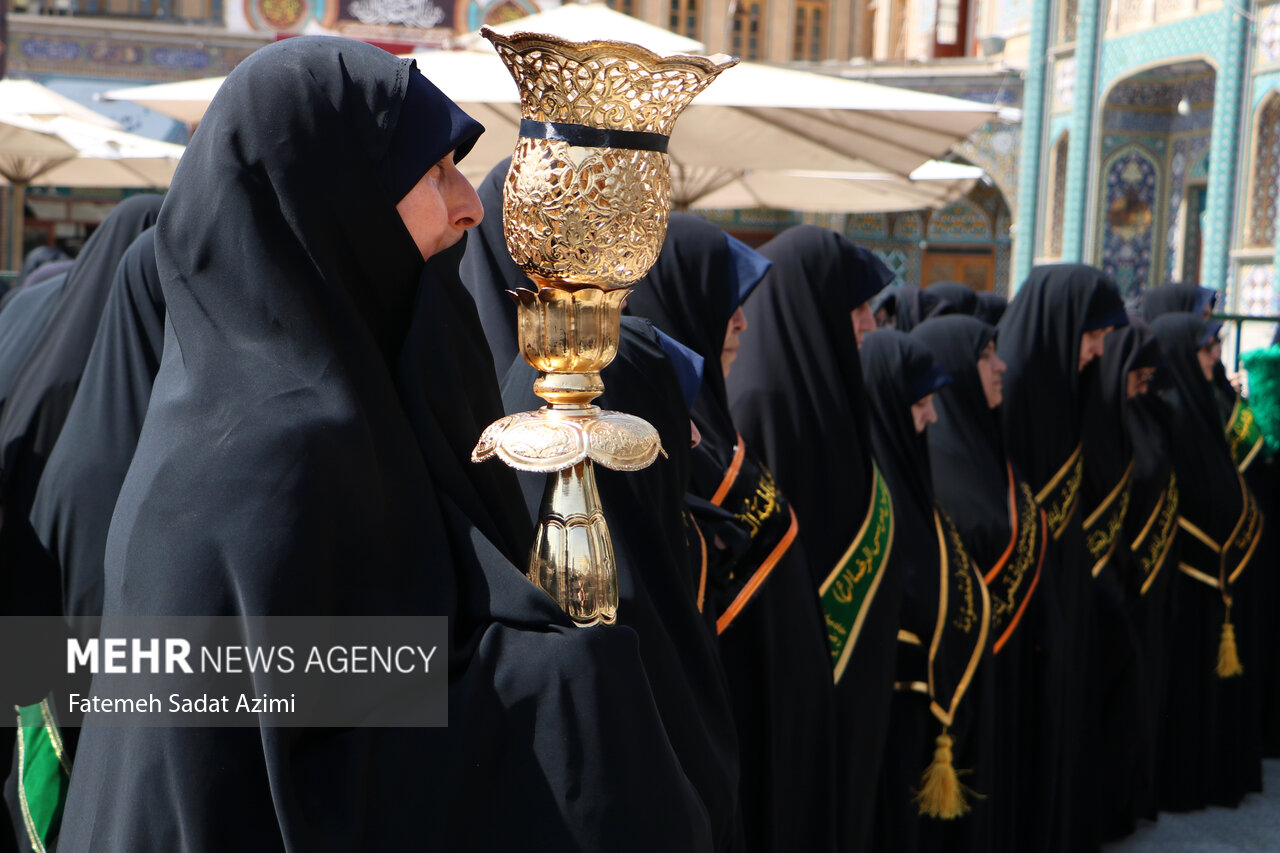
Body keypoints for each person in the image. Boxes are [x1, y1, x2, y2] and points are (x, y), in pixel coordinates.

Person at [58, 37, 713, 851]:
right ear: (333, 198)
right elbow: (303, 763)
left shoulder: (295, 426)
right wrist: (568, 686)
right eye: (435, 172)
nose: (469, 206)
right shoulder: (275, 463)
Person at [624, 214, 836, 853]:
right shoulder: (648, 435)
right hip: (723, 721)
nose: (741, 321)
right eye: (725, 301)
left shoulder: (710, 426)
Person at [726, 225, 895, 851]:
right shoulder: (756, 404)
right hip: (785, 697)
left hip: (844, 696)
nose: (870, 324)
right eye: (856, 306)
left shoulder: (833, 394)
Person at [996, 263, 1127, 852]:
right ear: (1062, 323)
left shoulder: (1068, 382)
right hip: (1020, 599)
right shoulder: (1014, 380)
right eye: (1092, 335)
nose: (1098, 351)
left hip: (1065, 584)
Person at [912, 315, 1046, 853]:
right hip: (963, 684)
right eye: (986, 355)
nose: (1000, 366)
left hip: (1008, 673)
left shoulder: (989, 449)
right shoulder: (936, 468)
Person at [860, 329, 991, 853]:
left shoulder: (915, 487)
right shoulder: (870, 499)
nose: (933, 417)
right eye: (920, 403)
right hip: (886, 717)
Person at [1150, 313, 1264, 813]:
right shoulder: (1170, 412)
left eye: (1216, 345)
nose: (1216, 356)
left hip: (1219, 576)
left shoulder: (1205, 403)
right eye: (1205, 348)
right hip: (1186, 579)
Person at [1078, 319, 1161, 839]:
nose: (1142, 390)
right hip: (1092, 589)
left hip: (1115, 579)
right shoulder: (1086, 421)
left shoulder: (1125, 420)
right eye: (1136, 378)